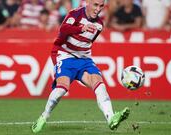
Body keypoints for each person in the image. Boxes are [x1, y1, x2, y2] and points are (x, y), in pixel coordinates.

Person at [31, 0, 130, 133]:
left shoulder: (99, 25)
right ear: (88, 3)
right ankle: (44, 116)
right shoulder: (75, 14)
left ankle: (111, 118)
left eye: (101, 6)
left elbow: (87, 42)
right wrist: (81, 28)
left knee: (99, 83)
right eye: (95, 5)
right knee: (62, 88)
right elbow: (63, 30)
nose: (98, 9)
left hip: (84, 59)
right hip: (65, 55)